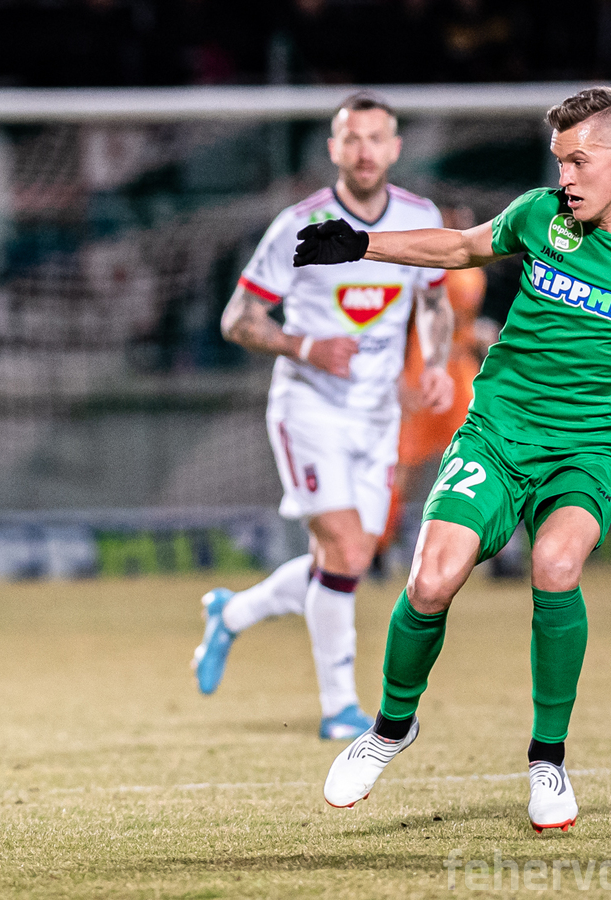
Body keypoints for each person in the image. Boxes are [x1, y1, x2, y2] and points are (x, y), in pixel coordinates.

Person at [295, 87, 611, 831]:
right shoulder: (541, 215)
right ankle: (390, 729)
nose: (565, 177)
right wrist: (363, 244)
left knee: (556, 566)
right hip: (497, 435)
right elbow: (462, 247)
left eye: (579, 161)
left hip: (590, 452)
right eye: (559, 161)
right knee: (431, 580)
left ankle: (547, 760)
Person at [193, 93, 455, 741]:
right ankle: (340, 708)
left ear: (395, 149)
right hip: (308, 408)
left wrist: (435, 363)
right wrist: (306, 346)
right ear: (334, 149)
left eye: (376, 138)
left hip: (377, 417)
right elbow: (237, 318)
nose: (364, 151)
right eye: (352, 139)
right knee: (344, 548)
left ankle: (233, 613)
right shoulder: (298, 225)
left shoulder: (420, 218)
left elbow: (435, 302)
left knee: (348, 559)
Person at [376, 210, 490, 564]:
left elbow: (466, 325)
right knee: (404, 464)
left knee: (478, 455)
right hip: (422, 369)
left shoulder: (476, 269)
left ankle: (488, 548)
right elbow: (403, 319)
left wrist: (479, 339)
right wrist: (397, 374)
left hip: (461, 372)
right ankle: (379, 546)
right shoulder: (425, 265)